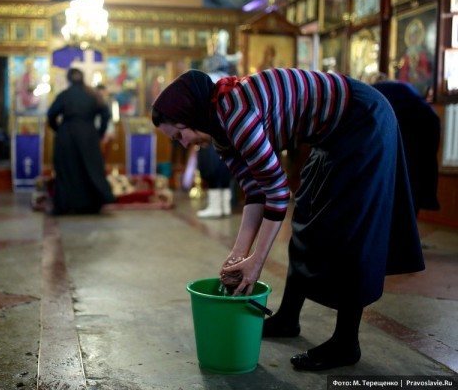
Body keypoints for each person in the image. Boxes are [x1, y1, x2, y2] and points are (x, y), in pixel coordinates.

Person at [151, 68, 425, 371]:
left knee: (349, 228)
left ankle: (346, 343)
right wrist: (238, 254)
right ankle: (288, 318)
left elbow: (277, 192)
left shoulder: (236, 115)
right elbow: (254, 192)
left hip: (362, 117)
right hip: (329, 133)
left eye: (180, 134)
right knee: (306, 215)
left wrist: (257, 262)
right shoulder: (220, 134)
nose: (184, 144)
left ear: (192, 114)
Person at [47, 68, 115, 215]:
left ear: (69, 79)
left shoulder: (64, 95)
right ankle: (91, 204)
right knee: (90, 168)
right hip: (88, 134)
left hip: (67, 135)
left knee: (67, 170)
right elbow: (106, 114)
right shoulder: (93, 95)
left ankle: (66, 204)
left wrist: (59, 130)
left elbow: (51, 114)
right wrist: (99, 133)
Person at [371, 79, 440, 215]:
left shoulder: (370, 92)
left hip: (402, 125)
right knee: (415, 174)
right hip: (427, 121)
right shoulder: (401, 90)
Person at [196, 54, 234, 218]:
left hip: (211, 131)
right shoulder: (230, 81)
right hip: (231, 132)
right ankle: (225, 206)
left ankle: (214, 207)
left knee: (210, 168)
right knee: (225, 169)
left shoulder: (207, 80)